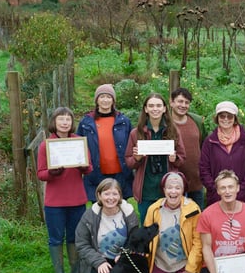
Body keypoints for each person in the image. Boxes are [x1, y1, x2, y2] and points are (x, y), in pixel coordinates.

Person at [37, 107, 93, 273]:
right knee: (55, 237)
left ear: (72, 123)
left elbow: (89, 168)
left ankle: (75, 269)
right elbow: (40, 173)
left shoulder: (79, 142)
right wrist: (52, 173)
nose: (64, 123)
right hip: (55, 201)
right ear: (54, 122)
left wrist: (82, 167)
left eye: (68, 119)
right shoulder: (46, 145)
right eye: (61, 119)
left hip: (76, 198)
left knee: (75, 236)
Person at [126, 92, 186, 223]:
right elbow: (129, 162)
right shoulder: (136, 133)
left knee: (170, 225)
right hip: (146, 189)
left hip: (169, 189)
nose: (155, 109)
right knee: (147, 227)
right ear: (146, 109)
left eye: (159, 105)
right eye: (151, 106)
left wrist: (174, 159)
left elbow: (182, 159)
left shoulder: (173, 131)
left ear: (164, 108)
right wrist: (137, 158)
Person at [143, 172, 202, 273]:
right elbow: (146, 239)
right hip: (161, 261)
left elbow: (198, 242)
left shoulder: (193, 209)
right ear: (164, 190)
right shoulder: (153, 210)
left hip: (183, 261)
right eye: (169, 187)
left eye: (177, 188)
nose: (173, 191)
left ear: (183, 190)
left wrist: (191, 269)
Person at [75, 178, 140, 273]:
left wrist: (124, 254)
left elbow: (135, 240)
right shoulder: (90, 215)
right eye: (106, 194)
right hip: (100, 259)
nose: (111, 198)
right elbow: (82, 244)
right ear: (99, 195)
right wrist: (99, 262)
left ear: (120, 196)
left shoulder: (129, 214)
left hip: (122, 258)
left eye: (115, 194)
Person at [77, 83, 133, 201]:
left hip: (120, 173)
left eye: (109, 97)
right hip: (96, 174)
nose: (105, 100)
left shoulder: (124, 121)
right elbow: (78, 147)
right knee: (98, 210)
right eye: (102, 97)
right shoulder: (86, 122)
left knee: (120, 208)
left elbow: (131, 144)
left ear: (113, 100)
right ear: (97, 100)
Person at [199, 101, 245, 207]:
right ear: (217, 118)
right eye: (222, 116)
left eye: (230, 116)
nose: (226, 119)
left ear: (235, 118)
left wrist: (242, 188)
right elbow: (203, 168)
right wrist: (215, 188)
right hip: (216, 197)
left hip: (240, 196)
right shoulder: (210, 141)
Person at [170, 88, 207, 208]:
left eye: (186, 102)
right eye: (180, 101)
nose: (183, 105)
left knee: (196, 217)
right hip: (173, 183)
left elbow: (204, 145)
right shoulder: (165, 123)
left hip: (196, 180)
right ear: (171, 102)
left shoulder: (196, 121)